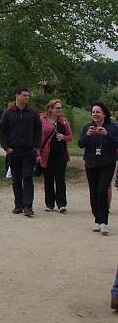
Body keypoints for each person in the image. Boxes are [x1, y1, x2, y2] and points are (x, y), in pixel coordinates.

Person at [0, 87, 42, 217]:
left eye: (28, 95)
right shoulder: (8, 113)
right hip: (14, 151)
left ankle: (28, 205)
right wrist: (6, 147)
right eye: (24, 95)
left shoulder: (33, 113)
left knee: (28, 177)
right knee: (16, 179)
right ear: (17, 96)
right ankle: (18, 204)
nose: (27, 97)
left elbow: (38, 130)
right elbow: (2, 131)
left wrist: (36, 147)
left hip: (29, 151)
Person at [77, 102, 118, 235]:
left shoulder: (113, 127)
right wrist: (87, 135)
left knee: (102, 191)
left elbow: (116, 143)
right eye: (93, 112)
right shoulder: (87, 127)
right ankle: (97, 220)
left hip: (108, 163)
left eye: (98, 112)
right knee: (93, 192)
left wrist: (106, 134)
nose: (95, 114)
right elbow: (80, 145)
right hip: (91, 163)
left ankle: (104, 223)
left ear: (104, 114)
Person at [38, 99, 72, 213]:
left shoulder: (63, 121)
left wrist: (63, 137)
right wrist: (37, 152)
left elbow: (70, 137)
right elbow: (38, 137)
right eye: (57, 108)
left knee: (60, 179)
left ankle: (62, 204)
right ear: (50, 109)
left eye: (61, 108)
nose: (60, 110)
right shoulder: (42, 120)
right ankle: (49, 204)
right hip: (47, 154)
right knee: (48, 179)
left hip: (61, 154)